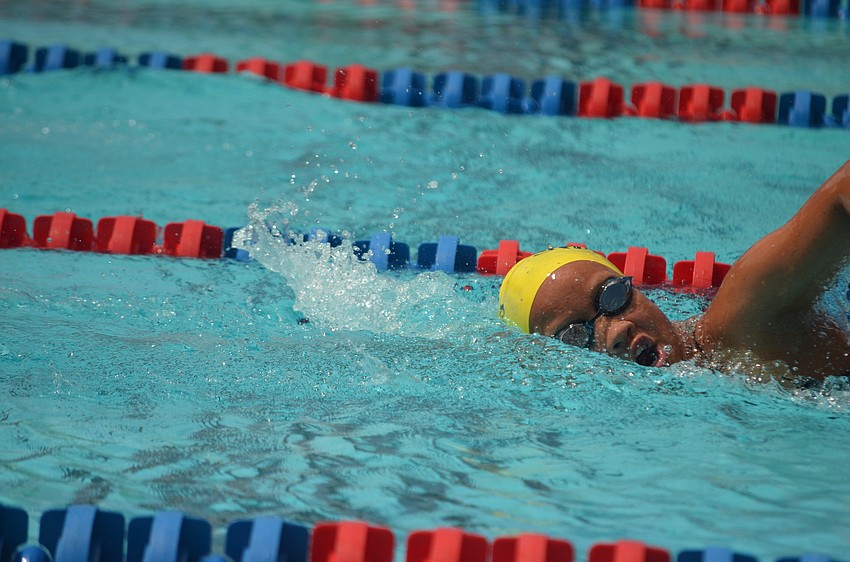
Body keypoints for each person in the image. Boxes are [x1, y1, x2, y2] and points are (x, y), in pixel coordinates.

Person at [498, 159, 850, 382]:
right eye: (575, 335)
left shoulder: (744, 323)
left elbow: (840, 194)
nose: (617, 330)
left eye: (613, 295)